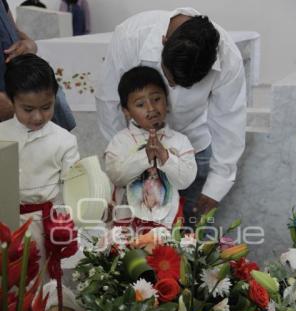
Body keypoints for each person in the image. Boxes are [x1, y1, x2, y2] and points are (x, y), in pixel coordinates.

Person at [96, 8, 247, 225]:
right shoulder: (131, 36)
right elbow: (109, 100)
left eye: (188, 85)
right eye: (168, 77)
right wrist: (122, 154)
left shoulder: (227, 56)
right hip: (134, 151)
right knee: (134, 234)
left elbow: (229, 120)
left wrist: (217, 186)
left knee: (186, 236)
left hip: (193, 151)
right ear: (163, 41)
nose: (173, 87)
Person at [0, 54, 80, 267]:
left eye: (46, 107)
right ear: (11, 99)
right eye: (28, 109)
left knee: (40, 282)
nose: (37, 117)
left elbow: (72, 188)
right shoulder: (1, 134)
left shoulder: (64, 140)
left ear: (55, 97)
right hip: (4, 220)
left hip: (42, 224)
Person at [105, 66, 197, 231]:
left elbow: (185, 181)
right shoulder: (120, 141)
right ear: (126, 111)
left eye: (156, 99)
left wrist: (165, 156)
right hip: (127, 224)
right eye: (140, 104)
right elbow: (117, 177)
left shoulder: (180, 141)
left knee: (165, 257)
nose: (151, 108)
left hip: (167, 224)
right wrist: (144, 157)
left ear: (166, 100)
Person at [0, 0, 76, 129]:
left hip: (21, 87)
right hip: (9, 103)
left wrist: (28, 44)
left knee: (50, 142)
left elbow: (18, 34)